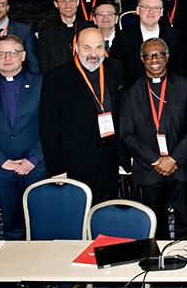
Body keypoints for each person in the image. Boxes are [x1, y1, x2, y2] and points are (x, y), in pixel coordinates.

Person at [0, 34, 45, 241]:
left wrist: (33, 159)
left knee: (40, 222)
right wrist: (2, 162)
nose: (7, 57)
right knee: (11, 225)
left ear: (22, 55)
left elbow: (50, 127)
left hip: (35, 167)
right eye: (1, 53)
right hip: (1, 169)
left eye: (13, 52)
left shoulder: (42, 83)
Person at [40, 28, 126, 203]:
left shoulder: (115, 68)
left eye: (99, 48)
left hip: (109, 157)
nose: (93, 54)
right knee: (77, 212)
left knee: (106, 209)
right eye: (87, 48)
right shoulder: (56, 77)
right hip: (75, 161)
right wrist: (56, 168)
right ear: (76, 47)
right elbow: (48, 128)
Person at [119, 38, 187, 240]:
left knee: (185, 222)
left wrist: (174, 158)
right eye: (149, 55)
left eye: (159, 54)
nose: (155, 59)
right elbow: (126, 134)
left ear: (167, 57)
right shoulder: (129, 92)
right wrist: (156, 160)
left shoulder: (186, 86)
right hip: (149, 168)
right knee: (154, 223)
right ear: (142, 60)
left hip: (180, 165)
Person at [110, 0, 183, 83]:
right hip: (133, 91)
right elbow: (115, 70)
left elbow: (180, 69)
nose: (151, 11)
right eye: (146, 7)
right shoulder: (122, 37)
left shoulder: (175, 35)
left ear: (161, 12)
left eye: (156, 8)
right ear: (137, 10)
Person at [38, 0, 96, 74]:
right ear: (56, 4)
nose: (68, 5)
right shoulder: (46, 33)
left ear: (77, 2)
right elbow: (44, 66)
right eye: (63, 2)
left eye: (71, 1)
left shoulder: (91, 28)